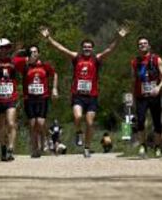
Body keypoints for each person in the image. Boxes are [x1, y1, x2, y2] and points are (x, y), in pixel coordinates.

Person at [40, 26, 129, 158]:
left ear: (92, 48)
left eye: (89, 47)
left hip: (92, 96)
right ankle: (78, 132)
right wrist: (49, 38)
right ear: (82, 48)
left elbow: (110, 50)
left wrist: (119, 38)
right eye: (85, 47)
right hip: (78, 95)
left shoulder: (96, 59)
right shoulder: (76, 57)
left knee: (90, 122)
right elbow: (61, 49)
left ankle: (87, 147)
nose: (87, 48)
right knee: (77, 117)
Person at [15, 45, 58, 158]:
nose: (33, 54)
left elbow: (54, 74)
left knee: (41, 123)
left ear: (39, 53)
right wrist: (19, 53)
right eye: (31, 52)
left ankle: (47, 140)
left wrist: (54, 88)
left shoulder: (44, 66)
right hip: (29, 98)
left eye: (35, 52)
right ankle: (35, 149)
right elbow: (12, 62)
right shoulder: (25, 67)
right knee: (32, 124)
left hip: (42, 97)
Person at [131, 36, 162, 158]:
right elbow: (133, 80)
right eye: (140, 44)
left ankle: (157, 147)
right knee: (140, 121)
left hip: (154, 95)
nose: (142, 45)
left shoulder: (156, 59)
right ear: (137, 47)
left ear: (149, 45)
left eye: (145, 43)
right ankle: (143, 145)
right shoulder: (134, 62)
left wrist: (158, 87)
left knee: (157, 121)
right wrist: (132, 96)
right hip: (140, 95)